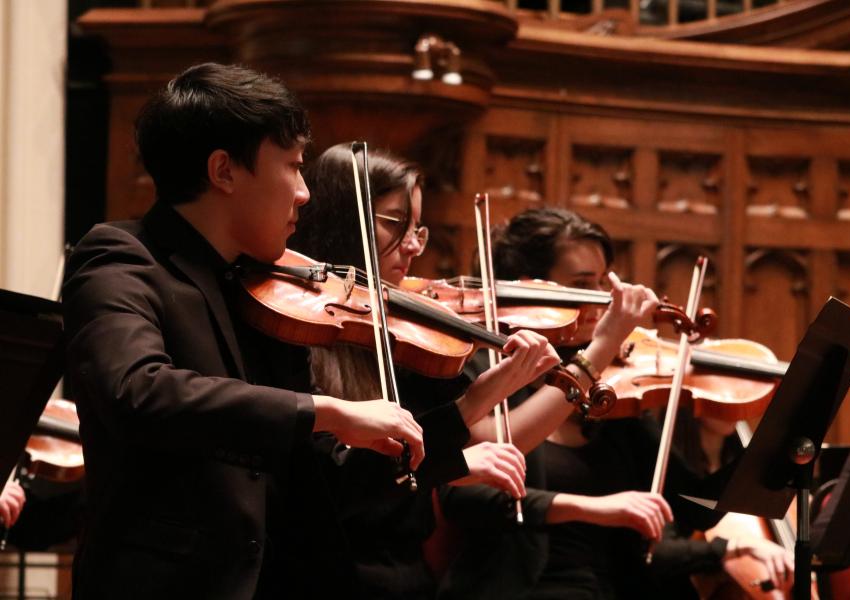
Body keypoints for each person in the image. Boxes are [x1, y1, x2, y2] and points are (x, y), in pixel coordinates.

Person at [63, 63, 429, 600]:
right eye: (293, 166)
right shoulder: (124, 258)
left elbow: (319, 472)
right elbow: (136, 390)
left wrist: (442, 430)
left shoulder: (263, 286)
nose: (304, 193)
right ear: (224, 171)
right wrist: (326, 410)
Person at [439, 207, 792, 599]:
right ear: (533, 288)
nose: (603, 300)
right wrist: (596, 508)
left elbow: (695, 507)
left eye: (602, 282)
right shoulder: (489, 372)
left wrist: (782, 441)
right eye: (581, 284)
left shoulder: (615, 389)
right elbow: (462, 494)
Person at [293, 143, 561, 598]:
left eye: (418, 229)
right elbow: (344, 483)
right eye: (396, 223)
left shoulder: (398, 338)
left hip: (405, 571)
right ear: (342, 220)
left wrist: (492, 393)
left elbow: (410, 462)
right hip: (326, 573)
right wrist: (473, 415)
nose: (414, 245)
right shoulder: (296, 331)